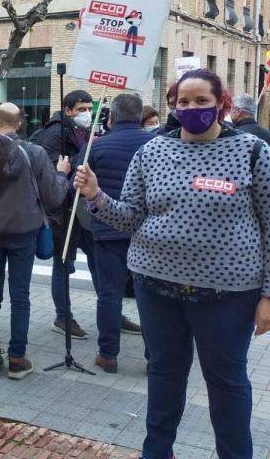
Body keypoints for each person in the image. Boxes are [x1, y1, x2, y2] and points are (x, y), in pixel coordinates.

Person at [74, 69, 270, 459]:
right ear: (173, 107)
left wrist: (268, 294)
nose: (192, 108)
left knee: (226, 382)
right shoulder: (151, 151)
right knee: (164, 375)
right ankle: (157, 452)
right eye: (184, 101)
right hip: (156, 287)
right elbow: (130, 216)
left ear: (221, 104)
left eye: (202, 101)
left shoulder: (252, 151)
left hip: (228, 296)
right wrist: (96, 196)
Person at [0, 103, 70, 379]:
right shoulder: (35, 153)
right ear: (20, 123)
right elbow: (53, 197)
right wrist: (62, 175)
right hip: (25, 233)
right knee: (20, 297)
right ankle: (18, 358)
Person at [75, 93, 152, 373]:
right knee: (148, 296)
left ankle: (108, 354)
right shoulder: (157, 145)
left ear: (112, 117)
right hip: (147, 233)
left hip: (107, 230)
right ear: (140, 116)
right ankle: (152, 357)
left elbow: (77, 177)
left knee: (109, 294)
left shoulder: (97, 147)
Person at [30, 89, 96, 340]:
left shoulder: (83, 132)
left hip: (82, 206)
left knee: (96, 259)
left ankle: (110, 311)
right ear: (68, 110)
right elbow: (48, 173)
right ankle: (63, 315)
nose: (87, 114)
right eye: (81, 109)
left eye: (90, 108)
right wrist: (67, 174)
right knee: (63, 264)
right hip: (63, 210)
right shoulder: (55, 132)